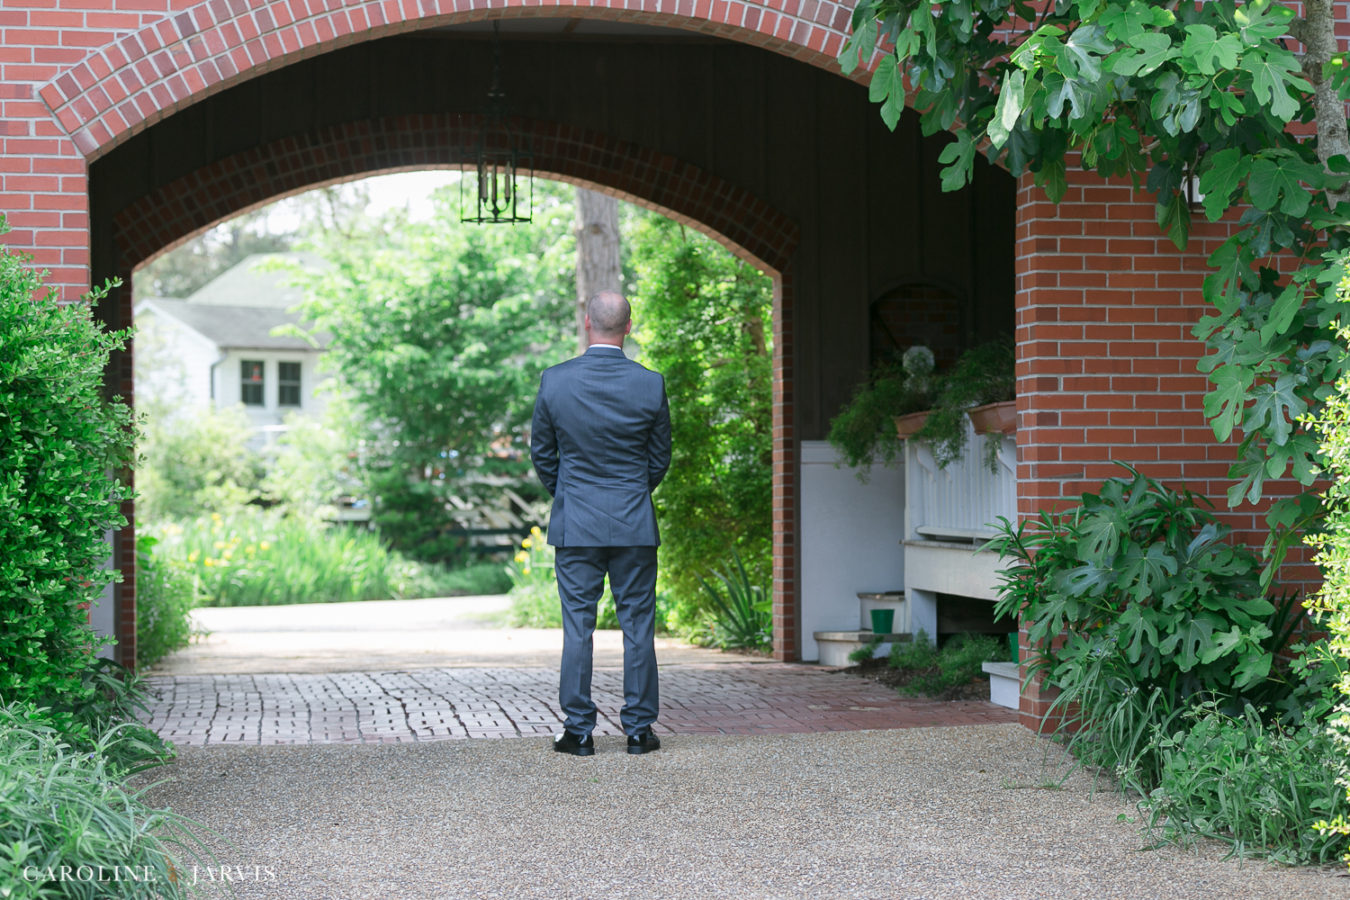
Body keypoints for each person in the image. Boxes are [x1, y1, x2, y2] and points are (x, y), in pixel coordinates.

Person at [529, 291, 672, 756]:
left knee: (578, 626)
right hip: (634, 522)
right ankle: (638, 731)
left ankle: (578, 730)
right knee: (638, 626)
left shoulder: (555, 381)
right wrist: (631, 493)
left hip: (577, 524)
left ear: (588, 322)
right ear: (628, 326)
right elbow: (659, 459)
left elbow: (543, 455)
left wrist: (571, 495)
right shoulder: (651, 385)